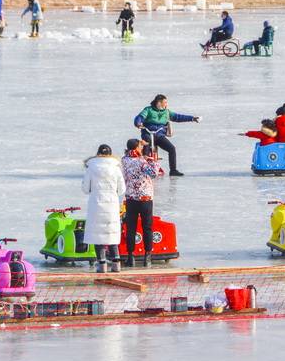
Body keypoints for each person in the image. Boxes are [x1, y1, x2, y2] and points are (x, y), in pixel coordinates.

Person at [82, 144, 126, 273]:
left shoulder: (91, 167)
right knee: (111, 234)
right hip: (111, 204)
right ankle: (116, 264)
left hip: (96, 204)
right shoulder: (116, 168)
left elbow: (85, 189)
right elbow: (122, 189)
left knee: (98, 235)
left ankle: (101, 265)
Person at [134, 94, 200, 177]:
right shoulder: (148, 110)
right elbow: (140, 117)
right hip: (148, 133)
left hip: (159, 135)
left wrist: (192, 118)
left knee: (172, 149)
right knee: (147, 144)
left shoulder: (167, 112)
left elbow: (177, 117)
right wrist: (138, 123)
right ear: (158, 103)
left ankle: (173, 170)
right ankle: (144, 166)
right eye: (165, 102)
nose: (166, 104)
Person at [121, 138, 159, 267]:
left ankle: (130, 257)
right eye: (139, 146)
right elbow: (154, 174)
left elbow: (131, 153)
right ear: (137, 148)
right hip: (145, 199)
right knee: (147, 228)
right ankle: (147, 257)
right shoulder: (142, 162)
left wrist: (140, 146)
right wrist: (153, 161)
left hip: (131, 199)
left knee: (131, 228)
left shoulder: (124, 160)